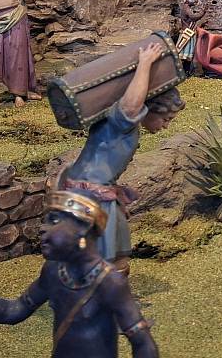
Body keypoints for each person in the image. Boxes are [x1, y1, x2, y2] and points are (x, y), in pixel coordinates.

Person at [0, 191, 158, 358]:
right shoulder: (53, 271)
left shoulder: (110, 283)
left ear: (83, 227)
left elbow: (142, 342)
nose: (42, 228)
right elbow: (16, 309)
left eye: (54, 221)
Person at [56, 40, 184, 272]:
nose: (166, 126)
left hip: (102, 193)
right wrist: (145, 64)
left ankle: (111, 289)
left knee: (117, 253)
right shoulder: (121, 123)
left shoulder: (126, 128)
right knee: (102, 256)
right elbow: (131, 105)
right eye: (166, 119)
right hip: (89, 194)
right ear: (150, 108)